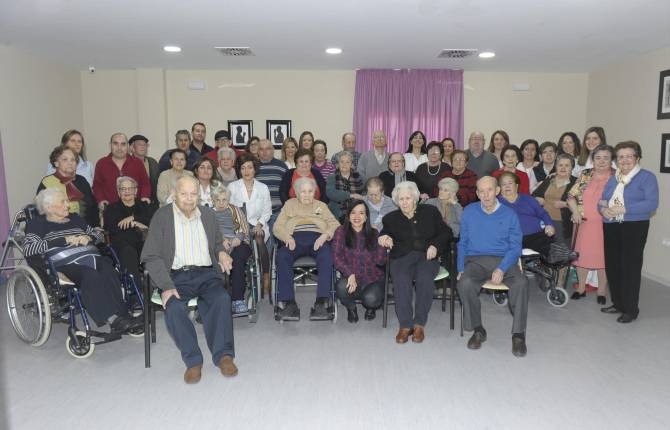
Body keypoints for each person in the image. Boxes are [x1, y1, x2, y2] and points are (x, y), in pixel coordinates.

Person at [141, 176, 237, 384]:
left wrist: (221, 253)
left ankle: (224, 356)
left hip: (206, 274)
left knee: (221, 298)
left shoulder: (208, 215)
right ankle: (193, 360)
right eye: (184, 194)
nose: (189, 199)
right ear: (175, 194)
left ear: (199, 196)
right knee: (174, 307)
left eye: (193, 194)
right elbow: (150, 256)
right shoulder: (162, 216)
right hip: (176, 276)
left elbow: (218, 243)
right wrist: (166, 286)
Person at [25, 188, 142, 334]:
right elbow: (29, 249)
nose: (68, 205)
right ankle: (112, 319)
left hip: (92, 257)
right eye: (63, 202)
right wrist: (63, 240)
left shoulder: (75, 218)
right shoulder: (37, 224)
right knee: (90, 275)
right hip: (65, 264)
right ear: (48, 207)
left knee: (108, 269)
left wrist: (89, 238)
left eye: (67, 200)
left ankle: (124, 315)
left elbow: (98, 235)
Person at [457, 176, 528, 357]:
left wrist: (502, 268)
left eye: (489, 190)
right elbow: (462, 242)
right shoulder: (469, 211)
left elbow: (515, 247)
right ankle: (478, 330)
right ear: (477, 193)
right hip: (476, 260)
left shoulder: (509, 214)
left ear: (497, 191)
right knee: (464, 283)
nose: (485, 195)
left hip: (504, 259)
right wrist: (460, 268)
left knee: (521, 283)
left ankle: (518, 335)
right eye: (481, 191)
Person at [378, 181, 451, 344]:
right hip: (401, 257)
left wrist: (435, 245)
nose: (404, 202)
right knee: (401, 279)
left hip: (427, 255)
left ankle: (419, 324)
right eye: (401, 199)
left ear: (415, 199)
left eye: (408, 198)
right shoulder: (390, 218)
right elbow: (384, 233)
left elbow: (446, 232)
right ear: (397, 201)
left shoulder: (430, 212)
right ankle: (405, 325)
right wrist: (383, 237)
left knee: (425, 278)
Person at [600, 141, 659, 323]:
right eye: (620, 156)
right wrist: (603, 210)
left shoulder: (646, 177)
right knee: (613, 265)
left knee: (630, 268)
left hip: (634, 226)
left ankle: (631, 309)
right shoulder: (613, 178)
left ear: (637, 158)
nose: (624, 160)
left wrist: (623, 208)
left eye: (629, 156)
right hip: (611, 224)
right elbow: (602, 200)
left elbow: (651, 203)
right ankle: (618, 303)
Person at [273, 177, 340, 321]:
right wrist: (287, 237)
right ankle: (289, 303)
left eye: (310, 191)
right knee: (282, 256)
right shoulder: (289, 205)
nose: (307, 195)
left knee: (327, 256)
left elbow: (335, 224)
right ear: (296, 192)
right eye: (303, 192)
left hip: (318, 239)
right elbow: (277, 227)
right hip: (294, 238)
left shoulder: (321, 205)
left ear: (314, 192)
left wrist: (325, 235)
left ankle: (321, 302)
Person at [567, 144, 614, 303]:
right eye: (598, 157)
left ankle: (601, 291)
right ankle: (581, 288)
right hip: (583, 224)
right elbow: (571, 196)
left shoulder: (617, 177)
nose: (601, 161)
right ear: (593, 160)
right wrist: (574, 212)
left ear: (611, 160)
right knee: (582, 257)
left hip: (606, 225)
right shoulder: (585, 174)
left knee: (603, 259)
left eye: (606, 158)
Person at [334, 200, 387, 322]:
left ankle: (371, 308)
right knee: (341, 286)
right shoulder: (340, 231)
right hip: (351, 278)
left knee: (371, 299)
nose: (357, 217)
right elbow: (337, 257)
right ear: (348, 216)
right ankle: (351, 308)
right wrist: (349, 274)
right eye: (353, 213)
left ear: (366, 216)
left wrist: (382, 244)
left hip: (372, 279)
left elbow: (380, 261)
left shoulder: (374, 233)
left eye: (361, 213)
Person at [228, 153, 273, 294]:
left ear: (255, 169)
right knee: (239, 249)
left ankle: (265, 275)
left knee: (259, 239)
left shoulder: (263, 187)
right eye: (243, 168)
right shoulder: (232, 187)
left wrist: (259, 224)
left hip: (257, 225)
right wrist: (240, 226)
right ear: (239, 170)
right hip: (238, 227)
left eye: (249, 167)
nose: (246, 171)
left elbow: (267, 211)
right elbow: (228, 210)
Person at [103, 176, 153, 293]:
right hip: (123, 244)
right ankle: (137, 294)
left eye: (130, 188)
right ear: (118, 192)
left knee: (157, 250)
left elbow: (154, 221)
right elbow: (112, 227)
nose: (127, 191)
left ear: (136, 191)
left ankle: (160, 290)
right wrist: (139, 224)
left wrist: (134, 219)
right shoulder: (112, 208)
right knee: (128, 252)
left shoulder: (144, 206)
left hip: (144, 243)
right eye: (123, 189)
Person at [211, 184, 253, 315]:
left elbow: (245, 229)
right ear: (213, 200)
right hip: (218, 243)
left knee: (237, 258)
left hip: (238, 242)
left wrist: (238, 238)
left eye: (224, 199)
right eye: (218, 200)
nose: (221, 203)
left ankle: (237, 300)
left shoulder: (236, 210)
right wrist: (221, 240)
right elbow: (208, 232)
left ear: (228, 200)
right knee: (210, 259)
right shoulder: (209, 213)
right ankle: (214, 302)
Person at [38, 145, 98, 227]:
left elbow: (93, 207)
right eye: (65, 159)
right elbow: (41, 212)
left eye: (73, 160)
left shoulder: (82, 181)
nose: (70, 163)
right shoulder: (47, 182)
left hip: (85, 228)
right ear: (56, 163)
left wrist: (96, 227)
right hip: (56, 229)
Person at [497, 172, 555, 256]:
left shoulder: (528, 199)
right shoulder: (496, 203)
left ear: (516, 186)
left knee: (552, 251)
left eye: (510, 183)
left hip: (536, 236)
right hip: (511, 239)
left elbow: (543, 213)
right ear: (499, 188)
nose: (507, 186)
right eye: (503, 184)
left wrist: (549, 224)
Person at [93, 132, 151, 211]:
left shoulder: (137, 163)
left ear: (127, 146)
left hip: (135, 210)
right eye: (115, 144)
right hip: (110, 211)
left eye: (123, 144)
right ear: (110, 145)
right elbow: (97, 186)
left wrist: (145, 196)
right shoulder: (101, 164)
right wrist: (101, 199)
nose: (119, 148)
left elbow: (146, 183)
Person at [532, 153, 577, 245]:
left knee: (561, 253)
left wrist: (565, 204)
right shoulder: (549, 179)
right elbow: (534, 195)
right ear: (556, 166)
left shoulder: (576, 182)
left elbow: (581, 203)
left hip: (562, 224)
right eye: (560, 165)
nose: (563, 168)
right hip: (544, 221)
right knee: (544, 251)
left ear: (572, 167)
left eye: (567, 165)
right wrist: (538, 199)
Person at [256, 138, 288, 225]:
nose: (265, 152)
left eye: (268, 149)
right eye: (261, 149)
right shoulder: (253, 166)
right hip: (258, 213)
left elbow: (287, 188)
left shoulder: (282, 165)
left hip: (278, 212)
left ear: (273, 150)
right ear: (258, 152)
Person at [326, 151, 364, 220]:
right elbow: (331, 193)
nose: (344, 164)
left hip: (356, 212)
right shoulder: (331, 178)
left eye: (347, 162)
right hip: (338, 214)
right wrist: (350, 195)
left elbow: (364, 193)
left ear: (351, 164)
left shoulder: (359, 177)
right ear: (338, 164)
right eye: (342, 162)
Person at [129, 134, 160, 208]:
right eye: (139, 144)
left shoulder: (152, 162)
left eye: (145, 144)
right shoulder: (127, 163)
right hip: (134, 202)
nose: (143, 147)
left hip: (152, 202)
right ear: (132, 148)